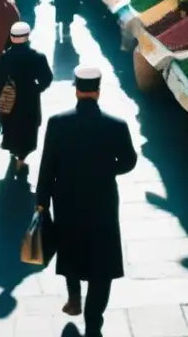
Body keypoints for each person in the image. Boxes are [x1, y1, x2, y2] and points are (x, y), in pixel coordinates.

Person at [36, 66, 138, 337]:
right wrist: (107, 169)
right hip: (102, 201)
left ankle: (74, 298)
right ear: (98, 91)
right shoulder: (116, 125)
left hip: (67, 199)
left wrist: (41, 201)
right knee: (101, 259)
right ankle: (94, 318)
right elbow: (129, 161)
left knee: (70, 246)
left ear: (76, 89)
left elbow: (47, 165)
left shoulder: (57, 123)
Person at [0, 23, 52, 172]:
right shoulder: (37, 56)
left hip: (10, 97)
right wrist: (37, 89)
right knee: (29, 127)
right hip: (30, 98)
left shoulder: (5, 57)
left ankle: (13, 151)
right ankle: (21, 158)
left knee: (10, 125)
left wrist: (2, 91)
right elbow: (47, 78)